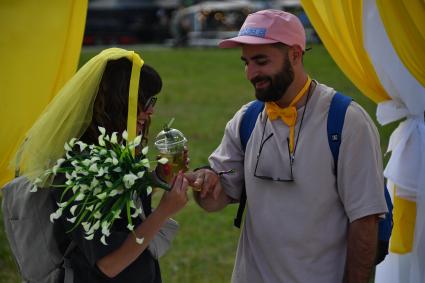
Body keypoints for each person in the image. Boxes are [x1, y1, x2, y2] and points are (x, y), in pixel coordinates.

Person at [185, 10, 388, 283]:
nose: (250, 73)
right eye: (246, 62)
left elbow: (366, 220)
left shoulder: (346, 122)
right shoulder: (247, 119)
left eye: (261, 61)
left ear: (295, 54)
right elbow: (215, 200)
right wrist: (204, 182)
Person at [15, 48, 189, 282]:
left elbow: (124, 213)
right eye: (146, 100)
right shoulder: (79, 168)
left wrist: (157, 178)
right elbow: (108, 264)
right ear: (118, 102)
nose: (151, 110)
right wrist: (164, 212)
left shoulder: (112, 150)